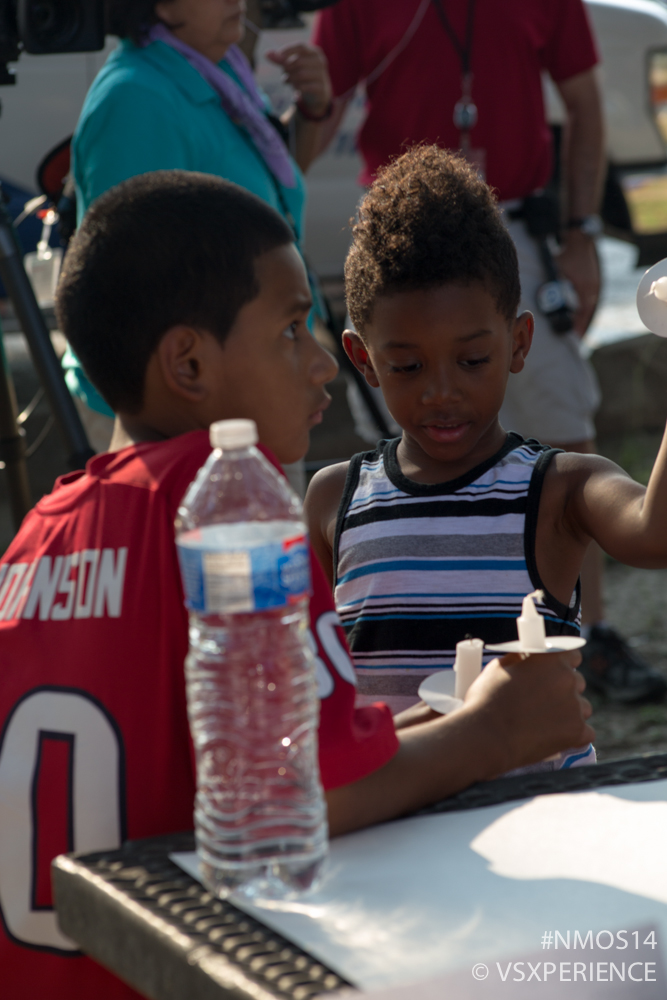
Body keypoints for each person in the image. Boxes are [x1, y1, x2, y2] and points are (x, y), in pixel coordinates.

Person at [0, 170, 592, 999]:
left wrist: (423, 723)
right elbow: (302, 798)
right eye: (288, 331)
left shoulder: (37, 537)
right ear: (190, 362)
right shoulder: (227, 509)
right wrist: (497, 731)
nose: (320, 366)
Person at [311, 0, 666, 702]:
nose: (441, 390)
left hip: (537, 807)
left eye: (471, 360)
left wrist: (578, 230)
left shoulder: (562, 488)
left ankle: (593, 647)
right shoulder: (331, 500)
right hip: (398, 810)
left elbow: (653, 535)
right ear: (362, 358)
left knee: (568, 410)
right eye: (407, 366)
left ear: (517, 342)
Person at [65, 0, 332, 473]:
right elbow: (131, 295)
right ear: (161, 5)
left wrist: (314, 111)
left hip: (246, 406)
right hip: (191, 428)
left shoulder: (219, 69)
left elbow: (271, 204)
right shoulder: (135, 100)